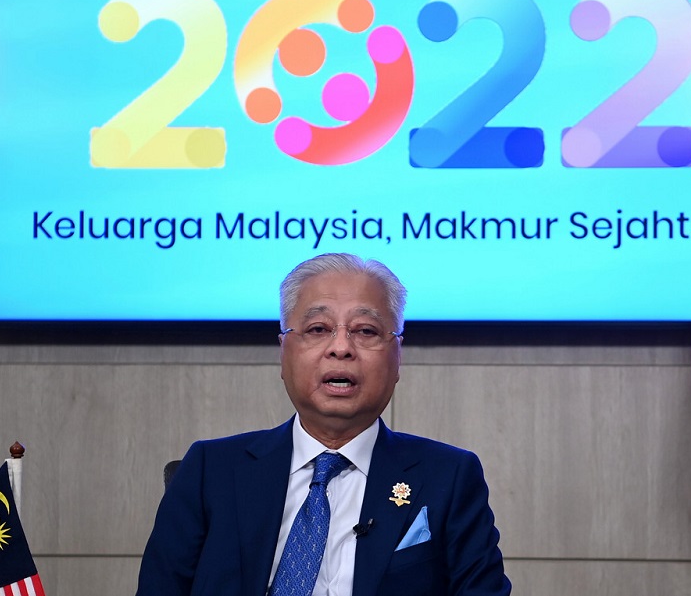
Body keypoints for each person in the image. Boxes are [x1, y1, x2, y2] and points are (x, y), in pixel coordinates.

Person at [136, 253, 511, 596]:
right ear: (284, 353)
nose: (341, 348)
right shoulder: (210, 470)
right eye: (318, 329)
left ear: (397, 357)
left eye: (365, 331)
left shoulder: (449, 476)